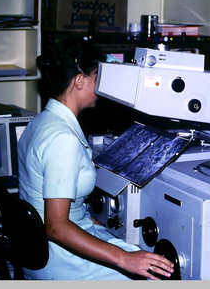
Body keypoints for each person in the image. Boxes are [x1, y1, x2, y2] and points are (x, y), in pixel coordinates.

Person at [16, 38, 174, 280]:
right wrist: (124, 258)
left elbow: (66, 206)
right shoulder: (62, 139)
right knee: (154, 274)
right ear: (79, 81)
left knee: (139, 254)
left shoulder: (40, 123)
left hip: (45, 249)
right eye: (97, 76)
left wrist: (104, 231)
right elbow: (56, 226)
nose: (102, 85)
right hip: (59, 260)